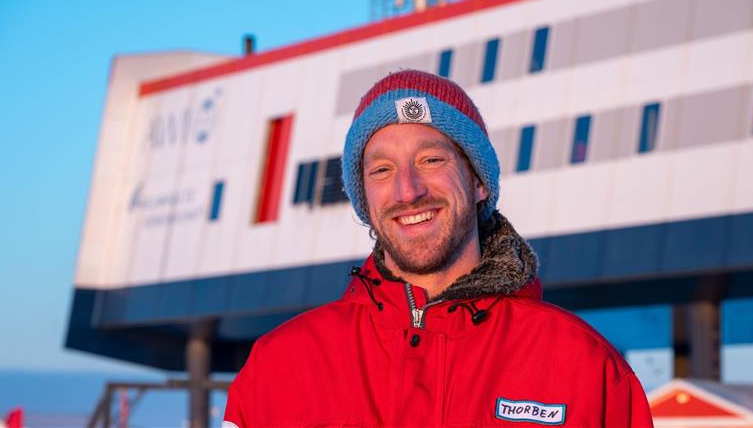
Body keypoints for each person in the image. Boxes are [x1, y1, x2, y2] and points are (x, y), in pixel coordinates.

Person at [223, 70, 653, 428]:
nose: (407, 191)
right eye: (382, 169)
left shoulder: (585, 367)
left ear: (478, 182)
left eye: (431, 160)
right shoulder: (277, 368)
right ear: (364, 199)